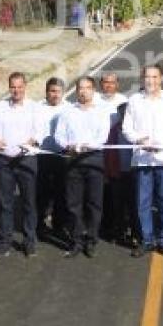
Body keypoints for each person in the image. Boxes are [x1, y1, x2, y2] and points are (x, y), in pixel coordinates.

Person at [123, 64, 163, 258]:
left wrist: (160, 144)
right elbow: (127, 128)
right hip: (142, 159)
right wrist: (139, 140)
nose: (151, 81)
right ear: (142, 79)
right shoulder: (134, 100)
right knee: (143, 203)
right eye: (147, 77)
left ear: (162, 78)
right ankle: (147, 240)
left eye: (155, 77)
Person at [0, 72, 45, 260]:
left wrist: (30, 142)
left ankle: (30, 242)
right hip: (5, 161)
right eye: (13, 86)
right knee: (6, 204)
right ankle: (5, 242)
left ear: (25, 87)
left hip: (26, 160)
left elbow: (39, 132)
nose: (16, 90)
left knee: (29, 203)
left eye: (19, 86)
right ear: (9, 87)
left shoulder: (34, 107)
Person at [55, 77, 110, 258]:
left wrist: (88, 145)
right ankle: (76, 240)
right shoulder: (68, 112)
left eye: (87, 88)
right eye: (80, 88)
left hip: (94, 159)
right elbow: (59, 136)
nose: (83, 91)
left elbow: (103, 137)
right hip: (73, 161)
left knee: (94, 204)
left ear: (93, 90)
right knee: (73, 204)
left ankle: (92, 239)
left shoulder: (102, 111)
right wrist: (68, 145)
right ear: (76, 90)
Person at [97, 73, 131, 244]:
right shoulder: (94, 100)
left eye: (112, 82)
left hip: (119, 154)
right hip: (100, 152)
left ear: (117, 84)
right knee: (105, 195)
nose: (109, 85)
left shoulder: (124, 101)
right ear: (101, 84)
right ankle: (106, 226)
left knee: (122, 197)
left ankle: (122, 228)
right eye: (105, 82)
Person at [38, 77, 68, 239]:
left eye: (58, 92)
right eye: (52, 91)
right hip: (41, 156)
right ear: (46, 92)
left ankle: (59, 225)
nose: (55, 95)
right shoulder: (37, 108)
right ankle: (39, 224)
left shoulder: (69, 109)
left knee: (61, 193)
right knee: (41, 193)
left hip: (62, 156)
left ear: (63, 93)